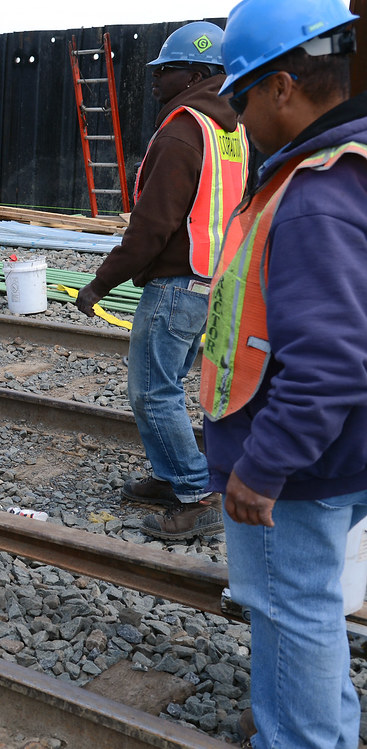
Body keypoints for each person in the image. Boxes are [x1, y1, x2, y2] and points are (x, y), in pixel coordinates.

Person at [201, 0, 366, 745]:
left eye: (237, 97)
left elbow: (327, 361)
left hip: (300, 462)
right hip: (339, 449)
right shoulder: (350, 164)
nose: (234, 119)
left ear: (281, 87)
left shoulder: (312, 196)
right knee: (308, 608)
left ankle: (302, 736)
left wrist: (261, 468)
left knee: (288, 608)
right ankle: (318, 724)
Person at [74, 21, 249, 540]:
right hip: (215, 281)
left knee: (152, 391)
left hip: (178, 284)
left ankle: (196, 493)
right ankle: (172, 475)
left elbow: (152, 226)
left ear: (196, 74)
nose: (154, 80)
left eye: (165, 70)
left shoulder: (182, 130)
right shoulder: (231, 129)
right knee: (170, 385)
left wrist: (99, 284)